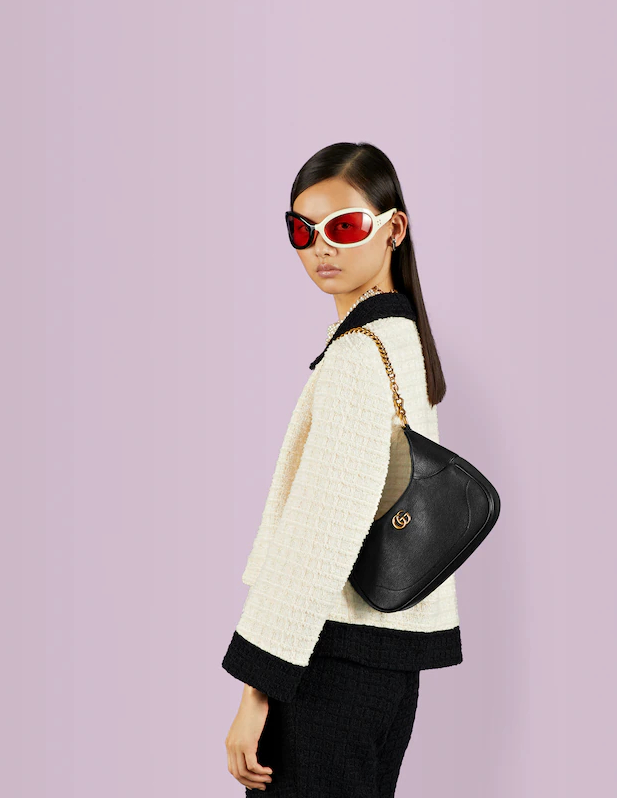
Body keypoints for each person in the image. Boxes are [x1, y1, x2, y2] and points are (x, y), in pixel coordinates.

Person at [222, 141, 463, 796]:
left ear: (394, 228)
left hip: (326, 664)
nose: (321, 247)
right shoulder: (403, 339)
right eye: (302, 231)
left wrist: (256, 690)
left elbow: (321, 530)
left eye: (345, 226)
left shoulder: (359, 355)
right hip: (384, 669)